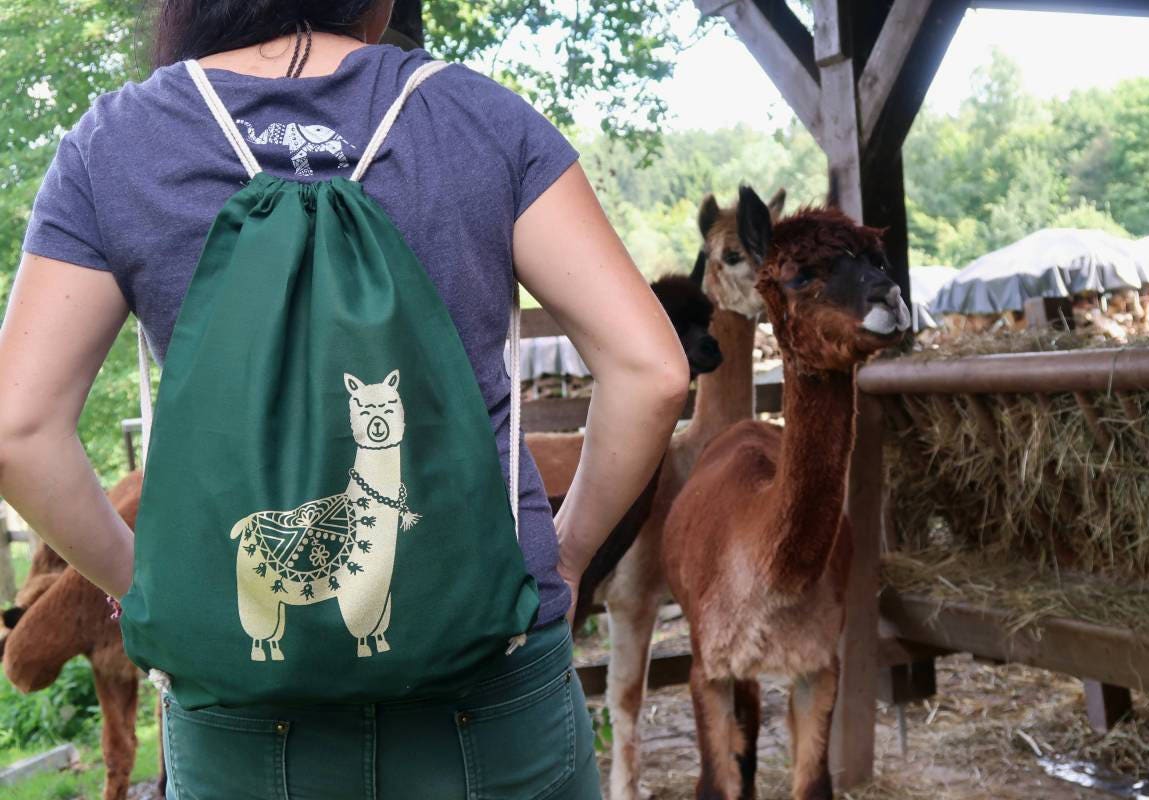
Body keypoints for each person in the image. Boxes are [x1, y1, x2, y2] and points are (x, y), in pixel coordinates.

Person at [0, 2, 690, 798]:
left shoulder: (115, 145)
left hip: (242, 707)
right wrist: (562, 555)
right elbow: (653, 372)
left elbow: (18, 430)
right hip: (491, 675)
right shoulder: (477, 116)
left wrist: (148, 584)